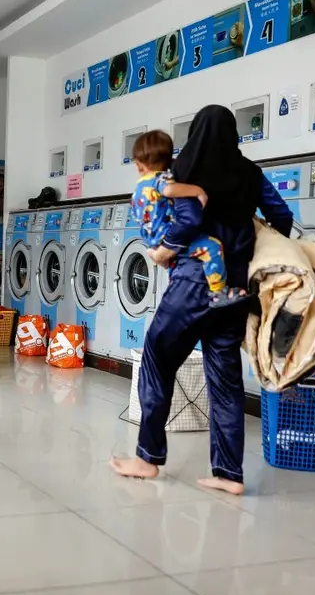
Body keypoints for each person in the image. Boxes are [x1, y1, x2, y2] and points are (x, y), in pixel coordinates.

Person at [111, 105, 294, 495]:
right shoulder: (250, 173)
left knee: (157, 356)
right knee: (225, 377)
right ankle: (229, 474)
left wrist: (165, 249)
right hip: (236, 287)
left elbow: (188, 219)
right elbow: (282, 215)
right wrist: (257, 243)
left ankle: (147, 458)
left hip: (194, 283)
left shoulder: (184, 169)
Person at [130, 130, 247, 307]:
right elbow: (170, 190)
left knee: (176, 264)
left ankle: (175, 287)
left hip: (152, 240)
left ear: (139, 166)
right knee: (213, 247)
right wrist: (197, 190)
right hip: (170, 237)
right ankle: (218, 293)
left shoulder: (138, 188)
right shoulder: (160, 179)